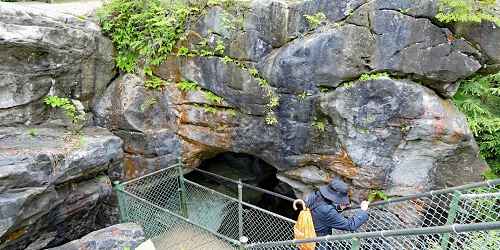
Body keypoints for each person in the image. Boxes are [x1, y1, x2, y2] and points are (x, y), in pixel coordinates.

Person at [304, 178, 370, 237]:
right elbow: (350, 225)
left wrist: (339, 208)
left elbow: (321, 212)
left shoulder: (315, 195)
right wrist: (363, 210)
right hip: (317, 241)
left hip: (306, 232)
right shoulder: (328, 211)